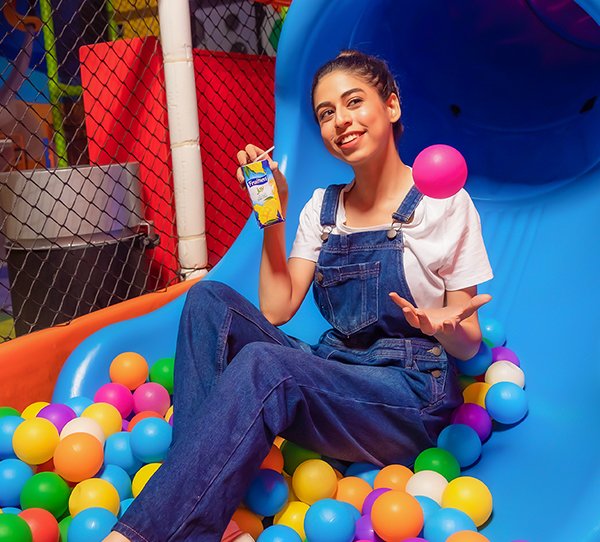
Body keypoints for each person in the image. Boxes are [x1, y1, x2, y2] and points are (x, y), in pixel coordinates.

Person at [105, 49, 493, 542]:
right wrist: (274, 210)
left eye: (354, 102)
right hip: (333, 375)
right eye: (326, 113)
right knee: (209, 301)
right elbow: (276, 308)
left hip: (409, 395)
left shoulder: (444, 203)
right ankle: (205, 508)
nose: (341, 121)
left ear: (392, 106)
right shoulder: (322, 208)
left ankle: (141, 532)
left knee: (266, 366)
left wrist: (446, 324)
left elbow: (469, 343)